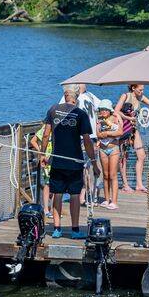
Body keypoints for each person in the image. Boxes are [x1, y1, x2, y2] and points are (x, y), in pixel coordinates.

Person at [41, 84, 101, 239]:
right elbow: (87, 141)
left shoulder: (53, 110)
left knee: (58, 193)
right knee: (74, 194)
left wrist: (42, 154)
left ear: (65, 95)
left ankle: (57, 229)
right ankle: (74, 230)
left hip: (58, 160)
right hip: (75, 161)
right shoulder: (80, 114)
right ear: (77, 97)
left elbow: (46, 134)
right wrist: (94, 162)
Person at [94, 100, 122, 209]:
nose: (103, 111)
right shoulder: (99, 120)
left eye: (105, 109)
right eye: (101, 109)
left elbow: (120, 132)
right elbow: (98, 134)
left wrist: (107, 133)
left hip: (113, 148)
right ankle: (106, 199)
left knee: (113, 175)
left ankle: (114, 201)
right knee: (105, 175)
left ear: (109, 110)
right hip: (102, 149)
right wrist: (103, 134)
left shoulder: (115, 118)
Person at [28, 123, 53, 212]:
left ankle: (52, 208)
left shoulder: (58, 129)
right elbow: (33, 141)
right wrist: (41, 151)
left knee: (54, 184)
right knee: (48, 183)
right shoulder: (44, 129)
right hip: (46, 160)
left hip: (55, 159)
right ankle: (46, 209)